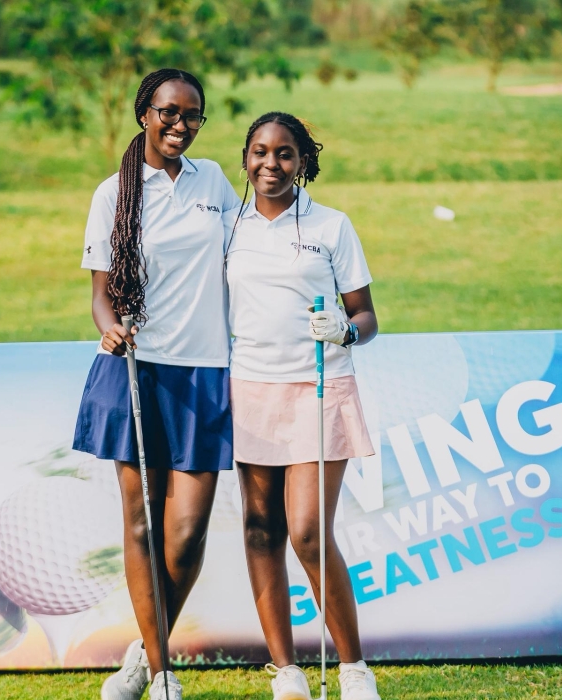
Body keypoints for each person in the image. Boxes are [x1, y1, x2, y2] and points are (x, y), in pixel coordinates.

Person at [73, 68, 240, 700]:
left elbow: (242, 258)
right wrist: (111, 328)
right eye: (168, 112)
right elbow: (99, 296)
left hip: (204, 370)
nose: (180, 124)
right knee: (142, 524)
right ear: (145, 112)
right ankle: (163, 672)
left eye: (192, 115)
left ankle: (144, 652)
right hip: (134, 370)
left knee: (188, 530)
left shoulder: (215, 181)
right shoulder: (111, 192)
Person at [224, 112, 382, 700]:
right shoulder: (229, 225)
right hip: (250, 388)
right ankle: (286, 670)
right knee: (261, 528)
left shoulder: (332, 225)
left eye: (285, 154)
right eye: (260, 152)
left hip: (320, 387)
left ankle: (352, 667)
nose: (271, 164)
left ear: (303, 161)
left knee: (309, 531)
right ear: (244, 158)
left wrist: (344, 331)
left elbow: (367, 317)